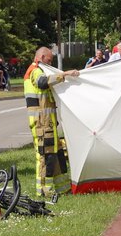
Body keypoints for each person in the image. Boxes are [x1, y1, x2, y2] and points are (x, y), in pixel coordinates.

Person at [24, 45, 80, 197]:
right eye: (49, 60)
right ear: (42, 58)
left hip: (48, 123)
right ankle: (44, 191)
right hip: (41, 123)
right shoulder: (35, 70)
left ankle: (63, 189)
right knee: (45, 156)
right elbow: (42, 82)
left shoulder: (40, 69)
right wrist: (65, 74)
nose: (50, 63)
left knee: (56, 154)